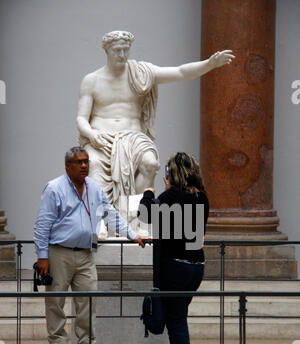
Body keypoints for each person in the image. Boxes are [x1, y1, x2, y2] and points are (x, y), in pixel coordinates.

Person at [77, 30, 234, 219]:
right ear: (107, 51)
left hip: (134, 138)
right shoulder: (91, 80)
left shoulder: (142, 73)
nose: (122, 55)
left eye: (126, 50)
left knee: (150, 163)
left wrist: (209, 64)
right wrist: (93, 135)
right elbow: (81, 119)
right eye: (117, 50)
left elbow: (180, 72)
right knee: (92, 165)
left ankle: (135, 217)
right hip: (101, 140)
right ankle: (101, 221)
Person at [34, 146, 145, 344]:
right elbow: (42, 225)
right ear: (68, 166)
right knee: (56, 300)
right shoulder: (54, 188)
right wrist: (42, 256)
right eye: (79, 162)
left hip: (86, 254)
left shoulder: (94, 188)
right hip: (59, 253)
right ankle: (58, 343)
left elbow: (110, 214)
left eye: (86, 161)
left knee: (89, 299)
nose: (84, 165)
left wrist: (132, 235)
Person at [138, 152, 209, 344]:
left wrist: (148, 193)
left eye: (167, 173)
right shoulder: (202, 198)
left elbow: (144, 214)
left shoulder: (170, 197)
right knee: (177, 319)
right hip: (195, 267)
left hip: (175, 268)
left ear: (172, 174)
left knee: (177, 323)